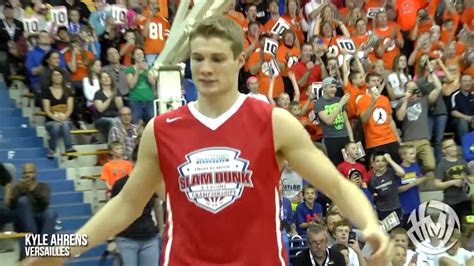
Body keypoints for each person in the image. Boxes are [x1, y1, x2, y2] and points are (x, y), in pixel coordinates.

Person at [26, 16, 391, 266]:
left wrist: (370, 224)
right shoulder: (161, 129)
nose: (205, 68)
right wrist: (64, 245)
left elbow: (336, 186)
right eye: (198, 58)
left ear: (239, 60)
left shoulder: (274, 122)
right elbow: (127, 204)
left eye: (217, 58)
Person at [109, 145, 163, 266]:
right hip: (125, 239)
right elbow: (111, 213)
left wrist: (161, 230)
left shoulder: (152, 183)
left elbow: (157, 205)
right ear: (133, 162)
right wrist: (112, 239)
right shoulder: (120, 184)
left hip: (150, 238)